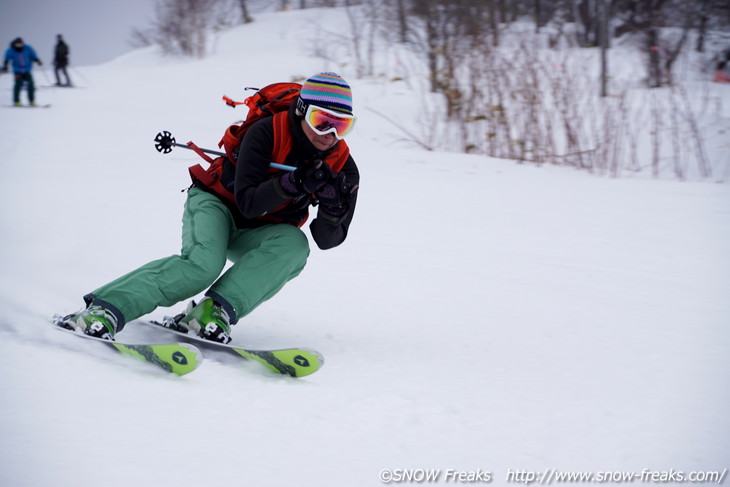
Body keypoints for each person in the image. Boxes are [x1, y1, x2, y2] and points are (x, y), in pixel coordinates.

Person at [57, 72, 360, 343]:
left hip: (261, 230)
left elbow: (327, 240)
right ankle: (105, 309)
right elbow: (249, 203)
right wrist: (293, 182)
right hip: (217, 204)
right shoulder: (267, 132)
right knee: (203, 265)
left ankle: (210, 313)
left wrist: (334, 208)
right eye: (322, 121)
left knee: (295, 246)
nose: (329, 135)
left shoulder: (342, 168)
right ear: (302, 111)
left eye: (341, 126)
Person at [2, 37, 42, 106]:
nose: (19, 46)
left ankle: (32, 101)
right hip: (17, 70)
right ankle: (16, 101)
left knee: (31, 84)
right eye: (17, 45)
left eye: (20, 45)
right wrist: (5, 64)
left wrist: (37, 60)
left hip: (27, 70)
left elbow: (33, 55)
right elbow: (6, 58)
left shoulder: (28, 48)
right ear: (15, 45)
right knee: (18, 84)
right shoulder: (11, 50)